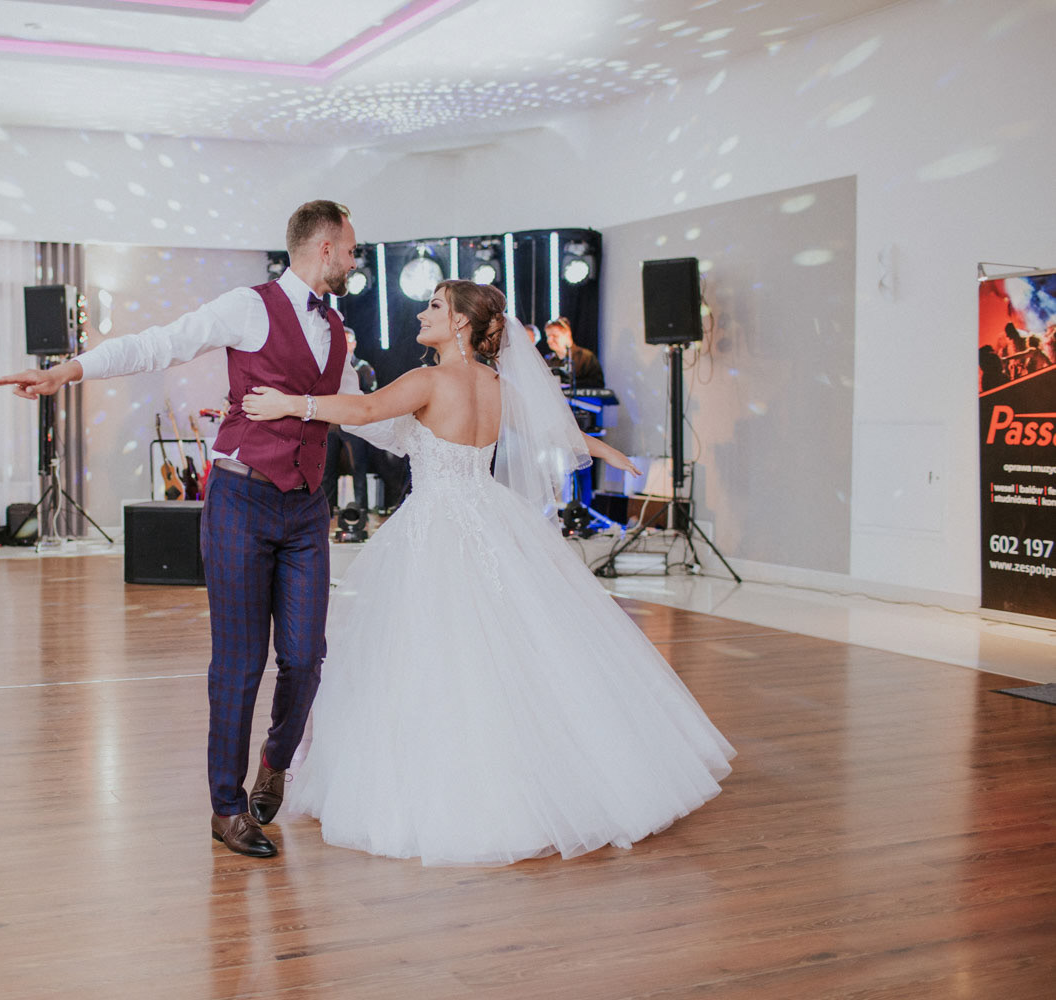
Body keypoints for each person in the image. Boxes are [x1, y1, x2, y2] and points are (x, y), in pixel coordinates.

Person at [241, 280, 735, 866]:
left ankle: (460, 792)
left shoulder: (430, 380)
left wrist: (291, 404)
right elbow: (553, 429)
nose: (421, 314)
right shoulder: (497, 386)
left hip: (436, 525)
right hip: (491, 517)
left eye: (434, 306)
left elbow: (368, 410)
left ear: (459, 323)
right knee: (518, 645)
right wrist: (602, 450)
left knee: (433, 651)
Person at [0, 200, 395, 859]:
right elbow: (158, 344)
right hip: (241, 499)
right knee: (240, 661)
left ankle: (276, 762)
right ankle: (226, 808)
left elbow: (361, 410)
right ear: (325, 249)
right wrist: (65, 370)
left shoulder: (335, 328)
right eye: (351, 250)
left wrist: (446, 433)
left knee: (304, 657)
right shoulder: (249, 307)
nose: (355, 261)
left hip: (305, 508)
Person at [322, 328, 375, 514]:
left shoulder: (363, 367)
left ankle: (360, 510)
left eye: (347, 341)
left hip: (353, 424)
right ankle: (327, 509)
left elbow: (370, 395)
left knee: (357, 467)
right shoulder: (328, 365)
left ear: (354, 344)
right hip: (330, 424)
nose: (344, 345)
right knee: (327, 468)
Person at [544, 316, 605, 389]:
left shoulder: (586, 357)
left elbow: (598, 383)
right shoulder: (547, 360)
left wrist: (571, 384)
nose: (549, 341)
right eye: (548, 336)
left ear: (567, 334)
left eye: (555, 336)